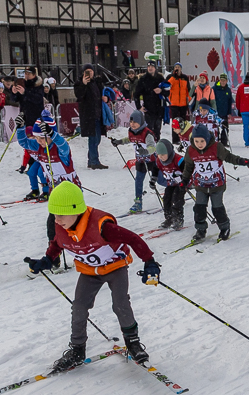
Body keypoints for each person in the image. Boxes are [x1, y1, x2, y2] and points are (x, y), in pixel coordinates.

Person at [24, 181, 161, 371]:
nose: (57, 219)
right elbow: (58, 243)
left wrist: (149, 262)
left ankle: (133, 344)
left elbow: (132, 238)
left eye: (61, 214)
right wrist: (47, 260)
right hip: (90, 271)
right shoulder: (61, 226)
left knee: (120, 303)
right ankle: (77, 350)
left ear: (76, 210)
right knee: (79, 306)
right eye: (54, 214)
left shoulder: (102, 226)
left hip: (115, 267)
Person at [181, 124, 249, 242]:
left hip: (217, 184)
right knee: (199, 208)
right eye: (196, 141)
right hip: (201, 185)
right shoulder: (191, 151)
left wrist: (240, 161)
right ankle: (201, 229)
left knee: (217, 208)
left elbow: (228, 157)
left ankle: (224, 228)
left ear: (207, 138)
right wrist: (184, 180)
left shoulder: (216, 147)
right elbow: (188, 167)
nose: (199, 144)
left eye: (202, 141)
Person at [111, 110, 157, 213]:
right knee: (138, 181)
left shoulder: (147, 133)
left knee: (161, 179)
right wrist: (118, 142)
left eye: (135, 122)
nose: (132, 124)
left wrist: (145, 151)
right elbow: (129, 139)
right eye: (131, 122)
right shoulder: (131, 131)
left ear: (140, 122)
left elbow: (153, 148)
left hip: (152, 161)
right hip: (140, 161)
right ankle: (138, 203)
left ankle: (175, 191)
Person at [72, 64, 107, 169]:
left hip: (97, 114)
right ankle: (94, 161)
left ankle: (91, 159)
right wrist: (83, 84)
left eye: (91, 71)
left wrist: (105, 97)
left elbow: (101, 94)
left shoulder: (96, 82)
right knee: (93, 139)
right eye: (87, 71)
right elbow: (79, 95)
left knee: (97, 139)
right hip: (88, 116)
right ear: (83, 73)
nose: (89, 73)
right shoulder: (79, 83)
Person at [147, 138, 186, 230]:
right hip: (171, 183)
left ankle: (178, 219)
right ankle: (169, 219)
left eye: (163, 155)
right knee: (166, 199)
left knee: (177, 199)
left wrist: (182, 177)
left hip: (181, 184)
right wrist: (153, 180)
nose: (161, 157)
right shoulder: (158, 161)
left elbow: (188, 171)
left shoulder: (179, 160)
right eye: (159, 155)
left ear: (169, 152)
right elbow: (155, 170)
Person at [134, 61, 167, 133]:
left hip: (159, 109)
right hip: (148, 109)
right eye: (148, 67)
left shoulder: (160, 78)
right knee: (149, 131)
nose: (150, 68)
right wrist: (139, 107)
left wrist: (161, 90)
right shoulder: (143, 79)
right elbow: (136, 94)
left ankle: (157, 140)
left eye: (152, 67)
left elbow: (168, 91)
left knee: (157, 131)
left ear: (155, 68)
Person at [166, 63, 190, 143]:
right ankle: (175, 139)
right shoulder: (170, 77)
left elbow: (188, 89)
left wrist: (188, 100)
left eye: (178, 67)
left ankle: (183, 138)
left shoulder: (185, 77)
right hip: (174, 103)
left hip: (183, 103)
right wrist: (174, 77)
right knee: (175, 122)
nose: (177, 68)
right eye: (176, 67)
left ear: (181, 69)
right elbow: (167, 86)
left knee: (183, 122)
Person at [212, 72, 234, 145]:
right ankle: (216, 143)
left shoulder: (228, 90)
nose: (223, 82)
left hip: (224, 113)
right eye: (222, 80)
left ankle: (224, 142)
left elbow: (229, 102)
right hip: (216, 113)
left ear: (227, 81)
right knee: (215, 128)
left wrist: (229, 113)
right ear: (219, 80)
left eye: (224, 80)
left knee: (225, 128)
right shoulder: (214, 89)